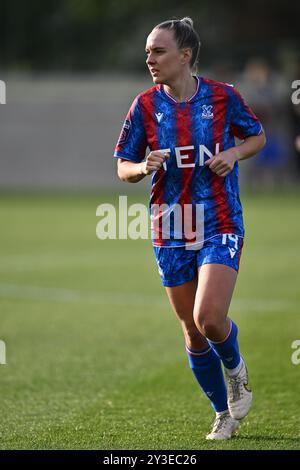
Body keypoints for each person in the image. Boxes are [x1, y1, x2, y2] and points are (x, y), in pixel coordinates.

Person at [114, 17, 266, 440]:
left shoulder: (223, 97)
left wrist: (234, 153)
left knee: (208, 317)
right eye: (147, 52)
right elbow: (122, 166)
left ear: (185, 55)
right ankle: (223, 413)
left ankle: (236, 371)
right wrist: (142, 167)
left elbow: (257, 137)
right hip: (170, 226)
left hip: (219, 220)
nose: (150, 59)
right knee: (191, 332)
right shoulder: (144, 106)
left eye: (158, 51)